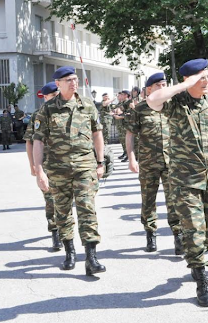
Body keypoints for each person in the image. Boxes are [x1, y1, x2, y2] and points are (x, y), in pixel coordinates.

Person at [147, 58, 208, 308]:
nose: (207, 81)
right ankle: (201, 278)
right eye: (202, 77)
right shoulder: (175, 103)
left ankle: (197, 257)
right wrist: (184, 85)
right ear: (189, 79)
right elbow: (153, 100)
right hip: (185, 179)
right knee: (194, 231)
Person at [32, 66, 106, 276]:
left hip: (84, 167)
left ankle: (91, 257)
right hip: (57, 169)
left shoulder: (87, 105)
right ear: (58, 84)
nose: (73, 83)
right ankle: (69, 252)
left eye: (75, 79)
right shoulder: (46, 110)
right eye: (68, 80)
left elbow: (97, 134)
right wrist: (39, 171)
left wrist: (100, 162)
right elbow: (37, 142)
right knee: (62, 212)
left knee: (87, 209)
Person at [126, 73, 181, 254]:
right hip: (148, 162)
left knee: (173, 199)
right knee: (148, 199)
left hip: (170, 160)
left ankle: (178, 235)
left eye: (164, 84)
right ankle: (150, 233)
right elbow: (130, 134)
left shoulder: (171, 107)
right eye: (158, 85)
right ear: (149, 89)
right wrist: (132, 158)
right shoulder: (140, 109)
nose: (162, 87)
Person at [25, 82, 61, 251]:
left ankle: (65, 230)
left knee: (65, 200)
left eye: (56, 96)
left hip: (65, 164)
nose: (55, 99)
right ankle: (55, 231)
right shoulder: (37, 115)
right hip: (46, 164)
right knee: (50, 199)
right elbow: (30, 142)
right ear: (45, 97)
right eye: (51, 97)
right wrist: (33, 165)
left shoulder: (66, 112)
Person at [114, 90, 132, 162]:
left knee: (127, 140)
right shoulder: (122, 103)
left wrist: (120, 116)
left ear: (126, 95)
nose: (120, 96)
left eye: (122, 94)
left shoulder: (128, 103)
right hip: (121, 124)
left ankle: (128, 155)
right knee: (122, 139)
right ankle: (125, 152)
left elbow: (129, 114)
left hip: (126, 124)